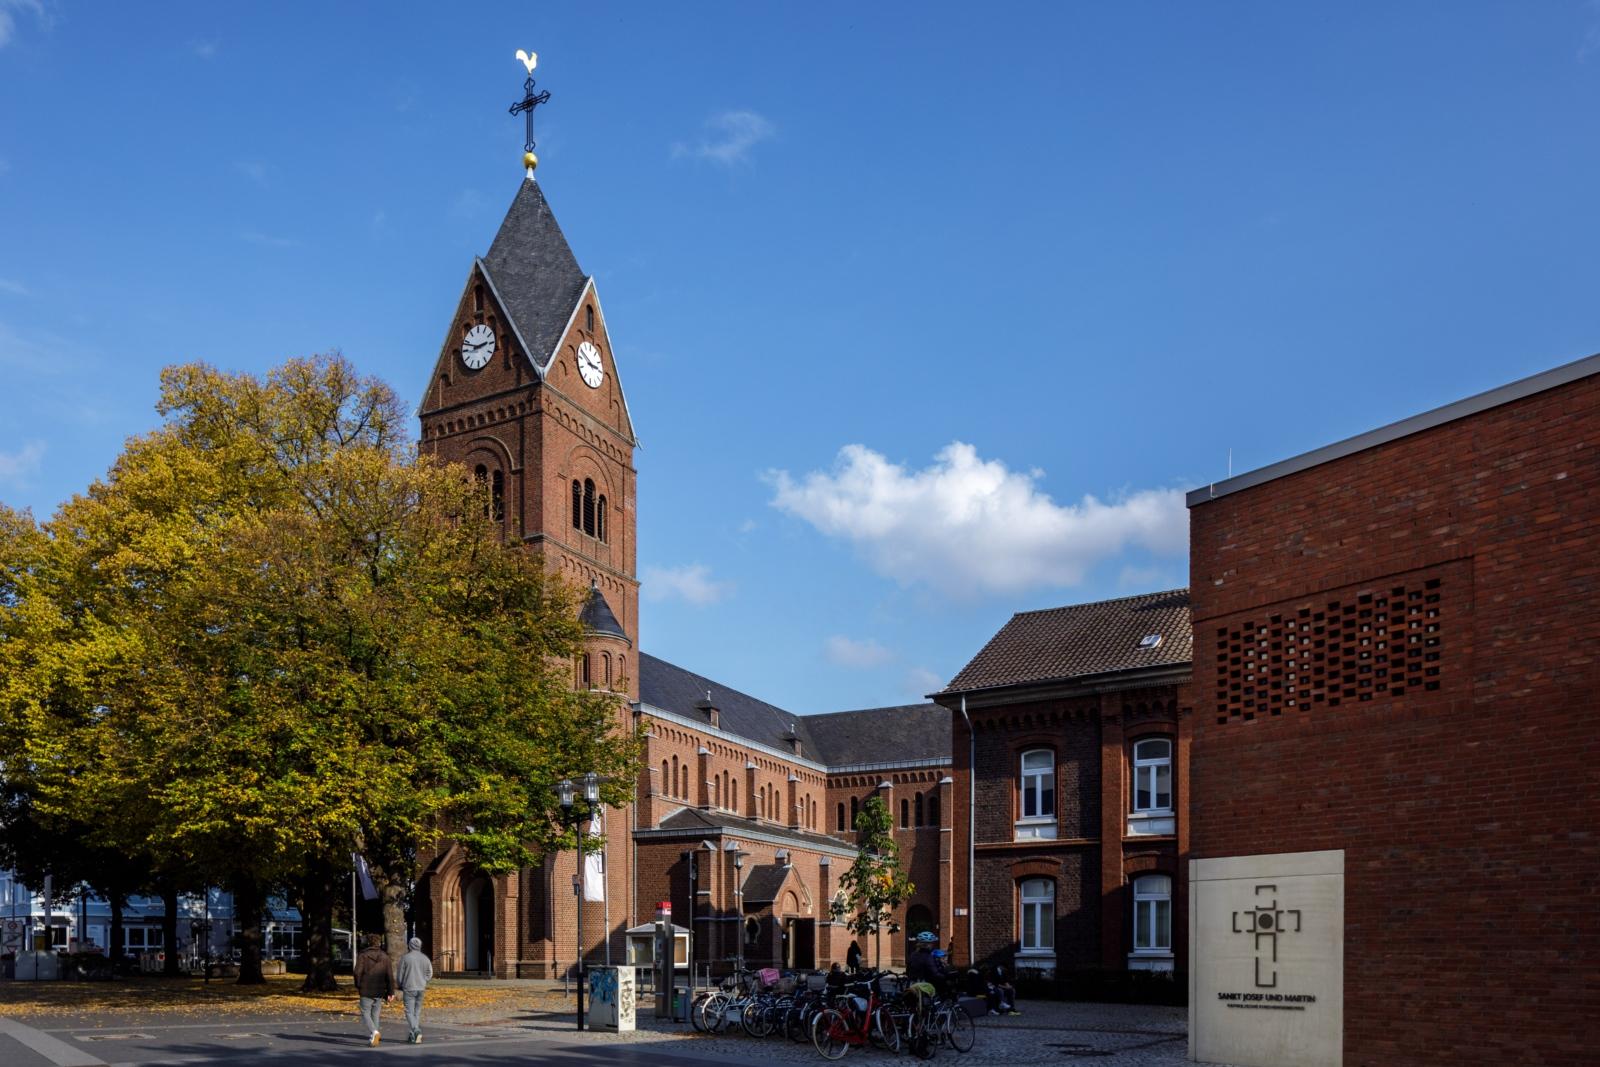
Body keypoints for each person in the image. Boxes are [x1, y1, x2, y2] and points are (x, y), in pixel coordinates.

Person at [353, 934, 394, 1046]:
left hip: (366, 988)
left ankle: (374, 1032)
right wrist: (391, 992)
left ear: (368, 943)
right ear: (378, 943)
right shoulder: (385, 957)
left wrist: (358, 985)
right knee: (375, 1014)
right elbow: (389, 976)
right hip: (380, 989)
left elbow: (357, 972)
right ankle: (374, 1036)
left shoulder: (363, 955)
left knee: (365, 1011)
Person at [395, 937, 434, 1045]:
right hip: (421, 987)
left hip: (409, 987)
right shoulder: (425, 958)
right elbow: (429, 973)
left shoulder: (405, 958)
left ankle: (415, 1029)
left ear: (410, 945)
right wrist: (424, 981)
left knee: (408, 1011)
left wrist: (400, 984)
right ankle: (414, 1035)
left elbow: (400, 975)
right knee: (417, 1011)